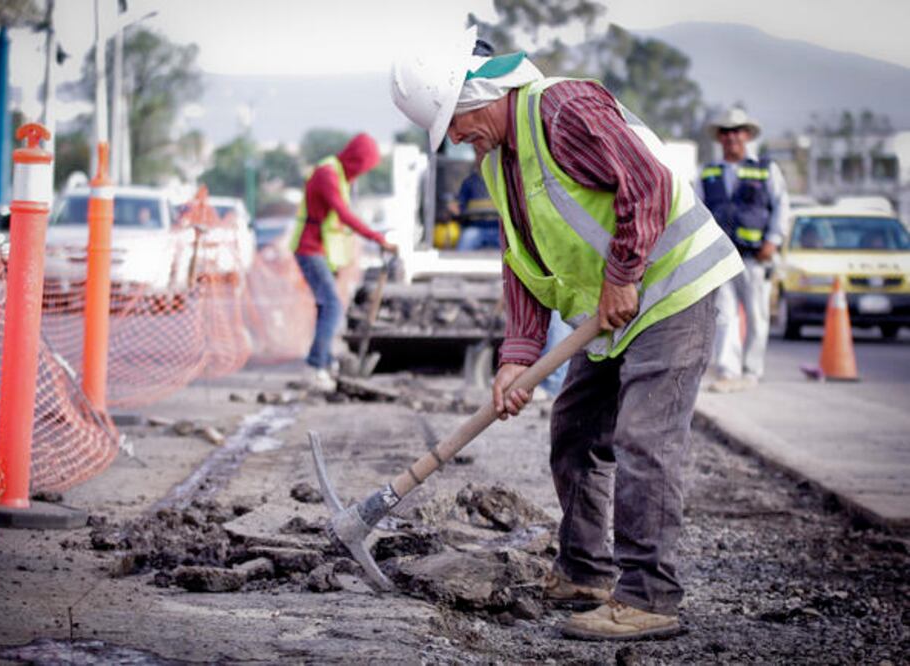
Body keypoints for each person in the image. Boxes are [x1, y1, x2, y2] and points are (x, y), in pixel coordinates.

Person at [391, 28, 743, 641]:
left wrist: (624, 273)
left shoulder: (562, 106)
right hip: (612, 311)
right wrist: (518, 357)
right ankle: (585, 572)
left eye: (454, 119)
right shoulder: (498, 162)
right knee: (576, 428)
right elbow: (522, 262)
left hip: (670, 291)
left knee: (644, 439)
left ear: (480, 90)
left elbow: (649, 183)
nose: (453, 136)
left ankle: (650, 597)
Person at [290, 133, 398, 391]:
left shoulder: (338, 174)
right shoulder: (328, 174)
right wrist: (377, 238)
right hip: (309, 249)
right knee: (333, 306)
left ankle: (324, 362)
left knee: (325, 307)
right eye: (363, 166)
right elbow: (343, 214)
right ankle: (316, 366)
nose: (361, 173)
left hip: (322, 252)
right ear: (356, 159)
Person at [698, 108, 789, 393]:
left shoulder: (766, 169)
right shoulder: (708, 173)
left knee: (757, 314)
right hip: (721, 257)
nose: (731, 137)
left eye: (736, 131)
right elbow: (697, 213)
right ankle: (728, 370)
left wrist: (772, 240)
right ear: (719, 138)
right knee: (724, 315)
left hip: (755, 256)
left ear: (747, 135)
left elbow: (781, 206)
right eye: (725, 132)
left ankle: (751, 371)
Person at [456, 168, 500, 250]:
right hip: (476, 227)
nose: (481, 157)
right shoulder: (468, 182)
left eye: (484, 154)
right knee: (466, 240)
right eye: (478, 155)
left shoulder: (501, 181)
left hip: (498, 228)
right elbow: (460, 206)